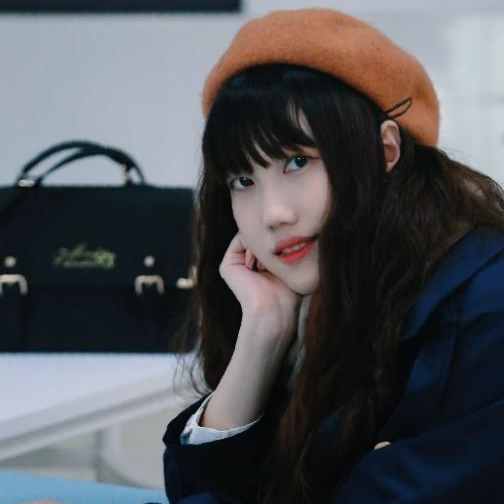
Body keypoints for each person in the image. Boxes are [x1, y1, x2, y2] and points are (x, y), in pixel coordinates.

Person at [21, 7, 504, 504]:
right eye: (243, 179)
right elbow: (209, 492)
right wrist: (262, 335)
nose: (273, 213)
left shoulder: (487, 304)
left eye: (297, 161)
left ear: (385, 152)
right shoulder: (323, 296)